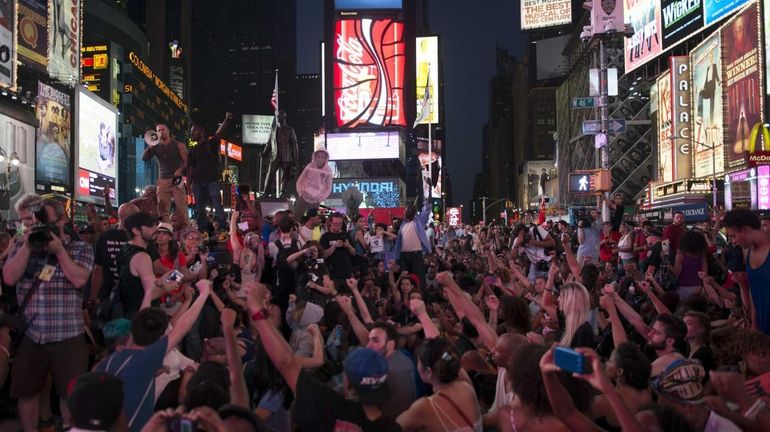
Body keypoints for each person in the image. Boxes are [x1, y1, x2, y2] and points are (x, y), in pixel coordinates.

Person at [245, 281, 402, 431]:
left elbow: (286, 362)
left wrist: (258, 308)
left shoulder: (329, 406)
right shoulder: (393, 428)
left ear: (347, 383)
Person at [2, 195, 94, 432]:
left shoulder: (80, 248)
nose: (37, 226)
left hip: (68, 335)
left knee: (70, 395)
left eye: (45, 222)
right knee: (27, 392)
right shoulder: (23, 246)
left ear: (62, 220)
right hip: (32, 336)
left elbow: (79, 279)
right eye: (31, 221)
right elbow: (10, 277)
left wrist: (59, 251)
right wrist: (28, 245)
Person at [95, 280, 212, 432]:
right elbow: (182, 328)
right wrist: (204, 293)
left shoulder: (105, 363)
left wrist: (149, 293)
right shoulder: (144, 357)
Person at [397, 337, 482, 431]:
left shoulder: (425, 406)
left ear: (428, 372)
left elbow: (394, 427)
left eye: (418, 363)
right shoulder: (466, 387)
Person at [116, 212, 179, 319]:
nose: (156, 229)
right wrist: (167, 287)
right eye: (151, 225)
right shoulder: (142, 257)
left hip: (130, 313)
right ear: (136, 230)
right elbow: (151, 293)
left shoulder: (126, 248)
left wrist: (162, 280)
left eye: (155, 224)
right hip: (143, 319)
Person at [722, 208, 770, 335]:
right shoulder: (748, 253)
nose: (733, 241)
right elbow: (753, 294)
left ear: (746, 230)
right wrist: (754, 327)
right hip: (762, 331)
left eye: (733, 236)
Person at [91, 203, 140, 323]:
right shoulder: (140, 239)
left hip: (109, 298)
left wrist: (92, 297)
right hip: (132, 299)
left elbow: (98, 270)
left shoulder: (104, 237)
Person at [188, 112, 233, 234]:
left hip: (212, 180)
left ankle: (223, 228)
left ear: (201, 132)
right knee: (199, 208)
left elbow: (219, 132)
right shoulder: (192, 150)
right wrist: (189, 185)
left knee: (217, 204)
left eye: (193, 131)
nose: (191, 134)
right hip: (197, 182)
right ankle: (203, 230)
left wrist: (226, 119)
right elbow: (191, 168)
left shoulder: (210, 144)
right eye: (191, 132)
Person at [141, 123, 189, 225]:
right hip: (163, 180)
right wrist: (150, 146)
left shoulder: (178, 145)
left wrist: (180, 170)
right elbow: (144, 158)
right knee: (162, 208)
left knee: (181, 207)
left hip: (176, 180)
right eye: (158, 130)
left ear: (168, 131)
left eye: (163, 129)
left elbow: (187, 161)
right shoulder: (155, 146)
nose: (161, 132)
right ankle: (165, 229)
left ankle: (186, 229)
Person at [395, 201, 433, 290]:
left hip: (416, 255)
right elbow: (399, 241)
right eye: (405, 210)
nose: (405, 212)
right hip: (403, 256)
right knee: (405, 279)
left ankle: (421, 297)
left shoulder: (419, 221)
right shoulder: (403, 224)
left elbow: (426, 211)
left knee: (419, 279)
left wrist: (426, 203)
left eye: (408, 210)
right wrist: (396, 257)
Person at [264, 111, 298, 198]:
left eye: (280, 116)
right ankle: (266, 192)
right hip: (275, 156)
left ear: (284, 118)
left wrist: (295, 161)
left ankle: (283, 192)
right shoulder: (273, 130)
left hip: (286, 157)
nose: (278, 118)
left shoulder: (290, 130)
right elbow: (269, 143)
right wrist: (264, 153)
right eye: (277, 116)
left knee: (285, 176)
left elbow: (294, 146)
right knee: (270, 173)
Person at [294, 148, 333, 218]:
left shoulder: (328, 170)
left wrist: (321, 199)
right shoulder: (309, 166)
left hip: (315, 200)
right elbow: (299, 180)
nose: (320, 159)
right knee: (296, 218)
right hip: (304, 196)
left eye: (322, 157)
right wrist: (300, 193)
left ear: (326, 158)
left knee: (313, 221)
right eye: (318, 156)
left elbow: (329, 187)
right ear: (315, 157)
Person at [320, 213, 356, 286]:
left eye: (340, 224)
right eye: (335, 224)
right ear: (331, 223)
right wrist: (335, 246)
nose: (338, 226)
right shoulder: (325, 237)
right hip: (332, 272)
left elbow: (354, 253)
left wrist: (348, 246)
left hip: (346, 271)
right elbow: (323, 255)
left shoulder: (346, 235)